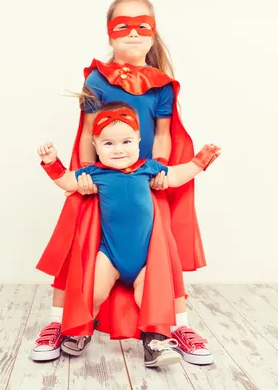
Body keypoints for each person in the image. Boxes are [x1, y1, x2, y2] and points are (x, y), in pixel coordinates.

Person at [31, 0, 215, 366]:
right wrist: (84, 176)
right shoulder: (97, 79)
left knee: (163, 255)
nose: (132, 33)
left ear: (153, 34)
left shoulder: (162, 84)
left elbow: (163, 133)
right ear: (110, 34)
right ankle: (60, 322)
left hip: (146, 179)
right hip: (99, 179)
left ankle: (175, 325)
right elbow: (86, 133)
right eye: (122, 26)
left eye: (142, 25)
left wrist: (161, 169)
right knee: (77, 247)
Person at [38, 102, 220, 366]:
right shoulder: (95, 173)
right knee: (93, 292)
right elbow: (67, 181)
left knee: (153, 296)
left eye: (125, 141)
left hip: (147, 258)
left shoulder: (148, 169)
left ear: (138, 141)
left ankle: (154, 342)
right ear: (96, 145)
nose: (118, 149)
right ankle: (81, 331)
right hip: (110, 254)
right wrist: (51, 162)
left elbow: (178, 176)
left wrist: (200, 161)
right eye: (108, 144)